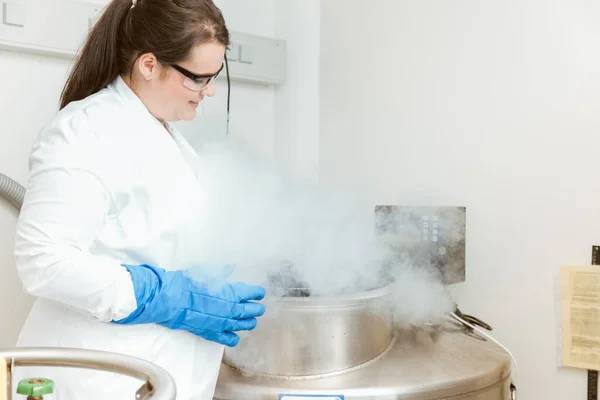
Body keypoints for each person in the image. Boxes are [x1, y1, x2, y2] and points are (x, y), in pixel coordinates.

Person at [11, 0, 266, 399]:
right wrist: (160, 294)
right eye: (199, 78)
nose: (210, 90)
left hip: (156, 376)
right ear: (149, 65)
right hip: (96, 379)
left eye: (214, 76)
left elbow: (159, 238)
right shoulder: (84, 131)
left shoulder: (165, 136)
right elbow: (43, 260)